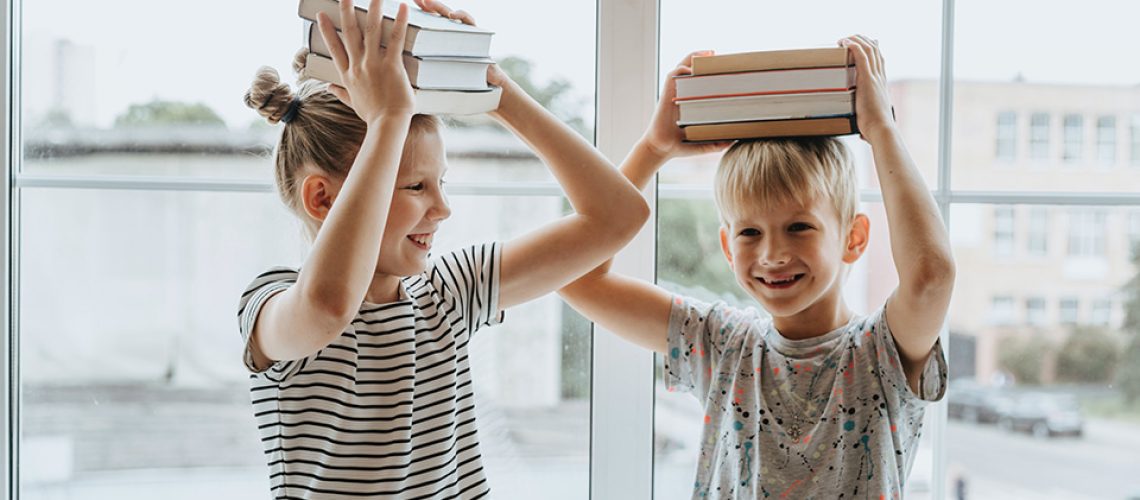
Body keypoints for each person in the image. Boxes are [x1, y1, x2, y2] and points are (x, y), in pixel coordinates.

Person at [237, 0, 649, 497]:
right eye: (413, 187)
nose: (442, 208)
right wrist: (389, 118)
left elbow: (617, 217)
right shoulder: (271, 302)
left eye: (441, 183)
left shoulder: (448, 291)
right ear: (322, 198)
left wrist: (494, 90)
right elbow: (328, 307)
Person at [559, 37, 953, 498]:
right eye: (750, 233)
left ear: (854, 237)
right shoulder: (719, 345)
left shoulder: (881, 353)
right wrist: (653, 148)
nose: (772, 254)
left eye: (799, 227)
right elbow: (572, 273)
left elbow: (931, 277)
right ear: (728, 246)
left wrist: (880, 130)